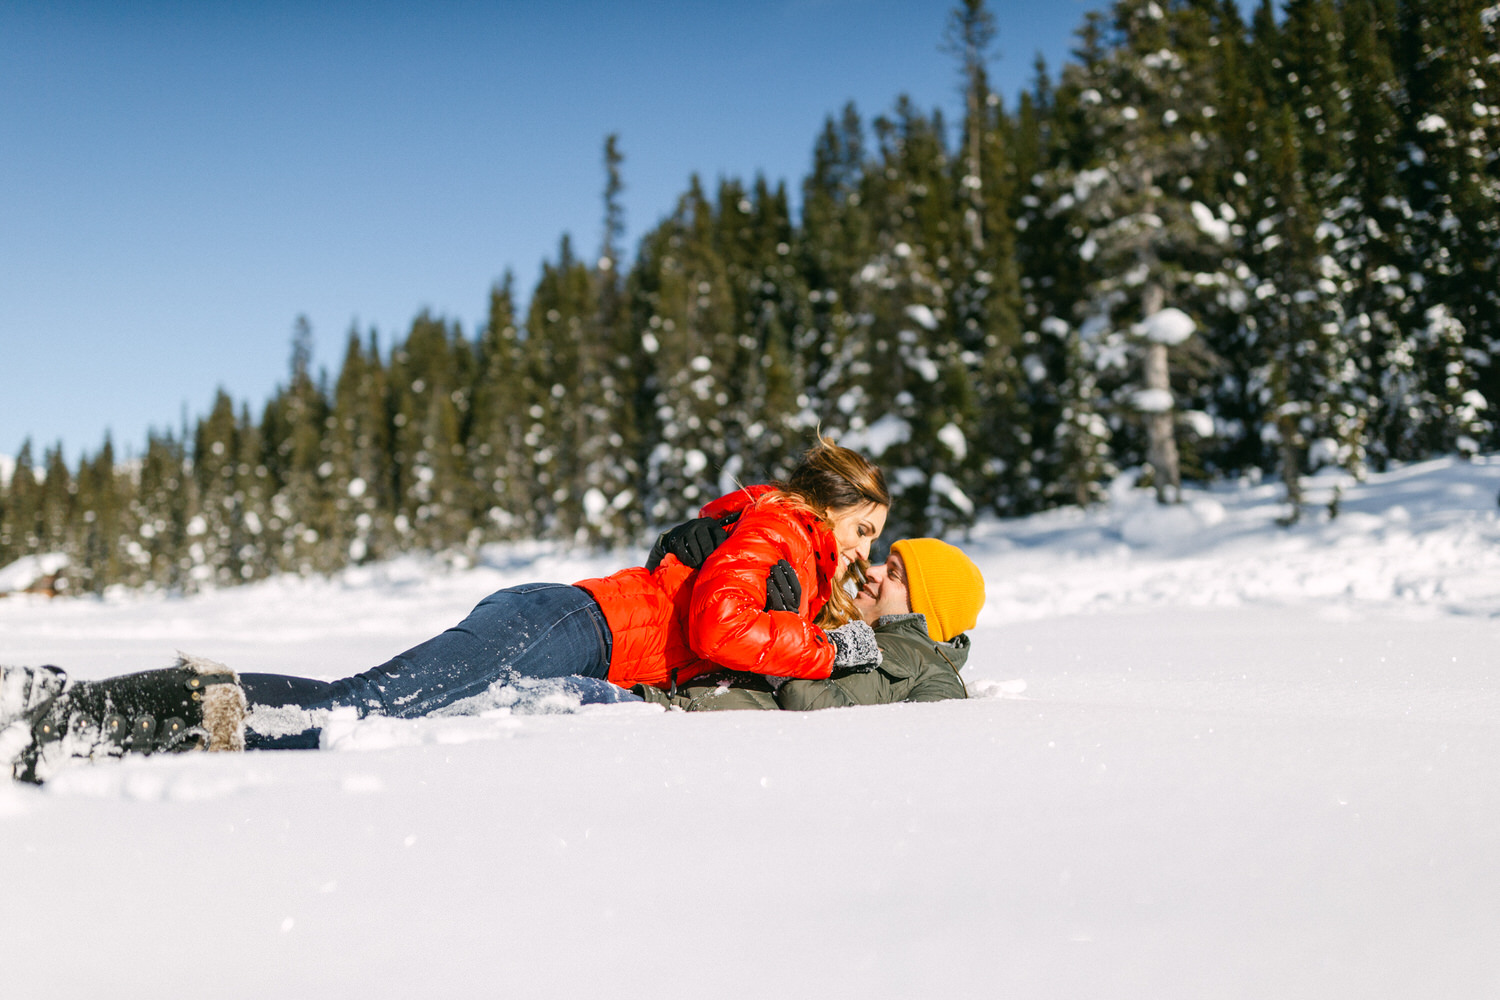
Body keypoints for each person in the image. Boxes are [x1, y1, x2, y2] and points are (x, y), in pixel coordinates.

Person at [4, 439, 892, 782]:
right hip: (570, 628)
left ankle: (110, 713)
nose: (862, 547)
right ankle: (90, 709)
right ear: (831, 503)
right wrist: (830, 649)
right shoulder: (780, 527)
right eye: (864, 526)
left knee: (359, 709)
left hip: (574, 639)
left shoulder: (796, 554)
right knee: (361, 711)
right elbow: (719, 629)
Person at [632, 538, 985, 712]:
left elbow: (856, 742)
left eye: (893, 573)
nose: (872, 571)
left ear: (927, 606)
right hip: (655, 700)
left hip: (675, 724)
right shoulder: (850, 632)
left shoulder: (937, 679)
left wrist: (785, 638)